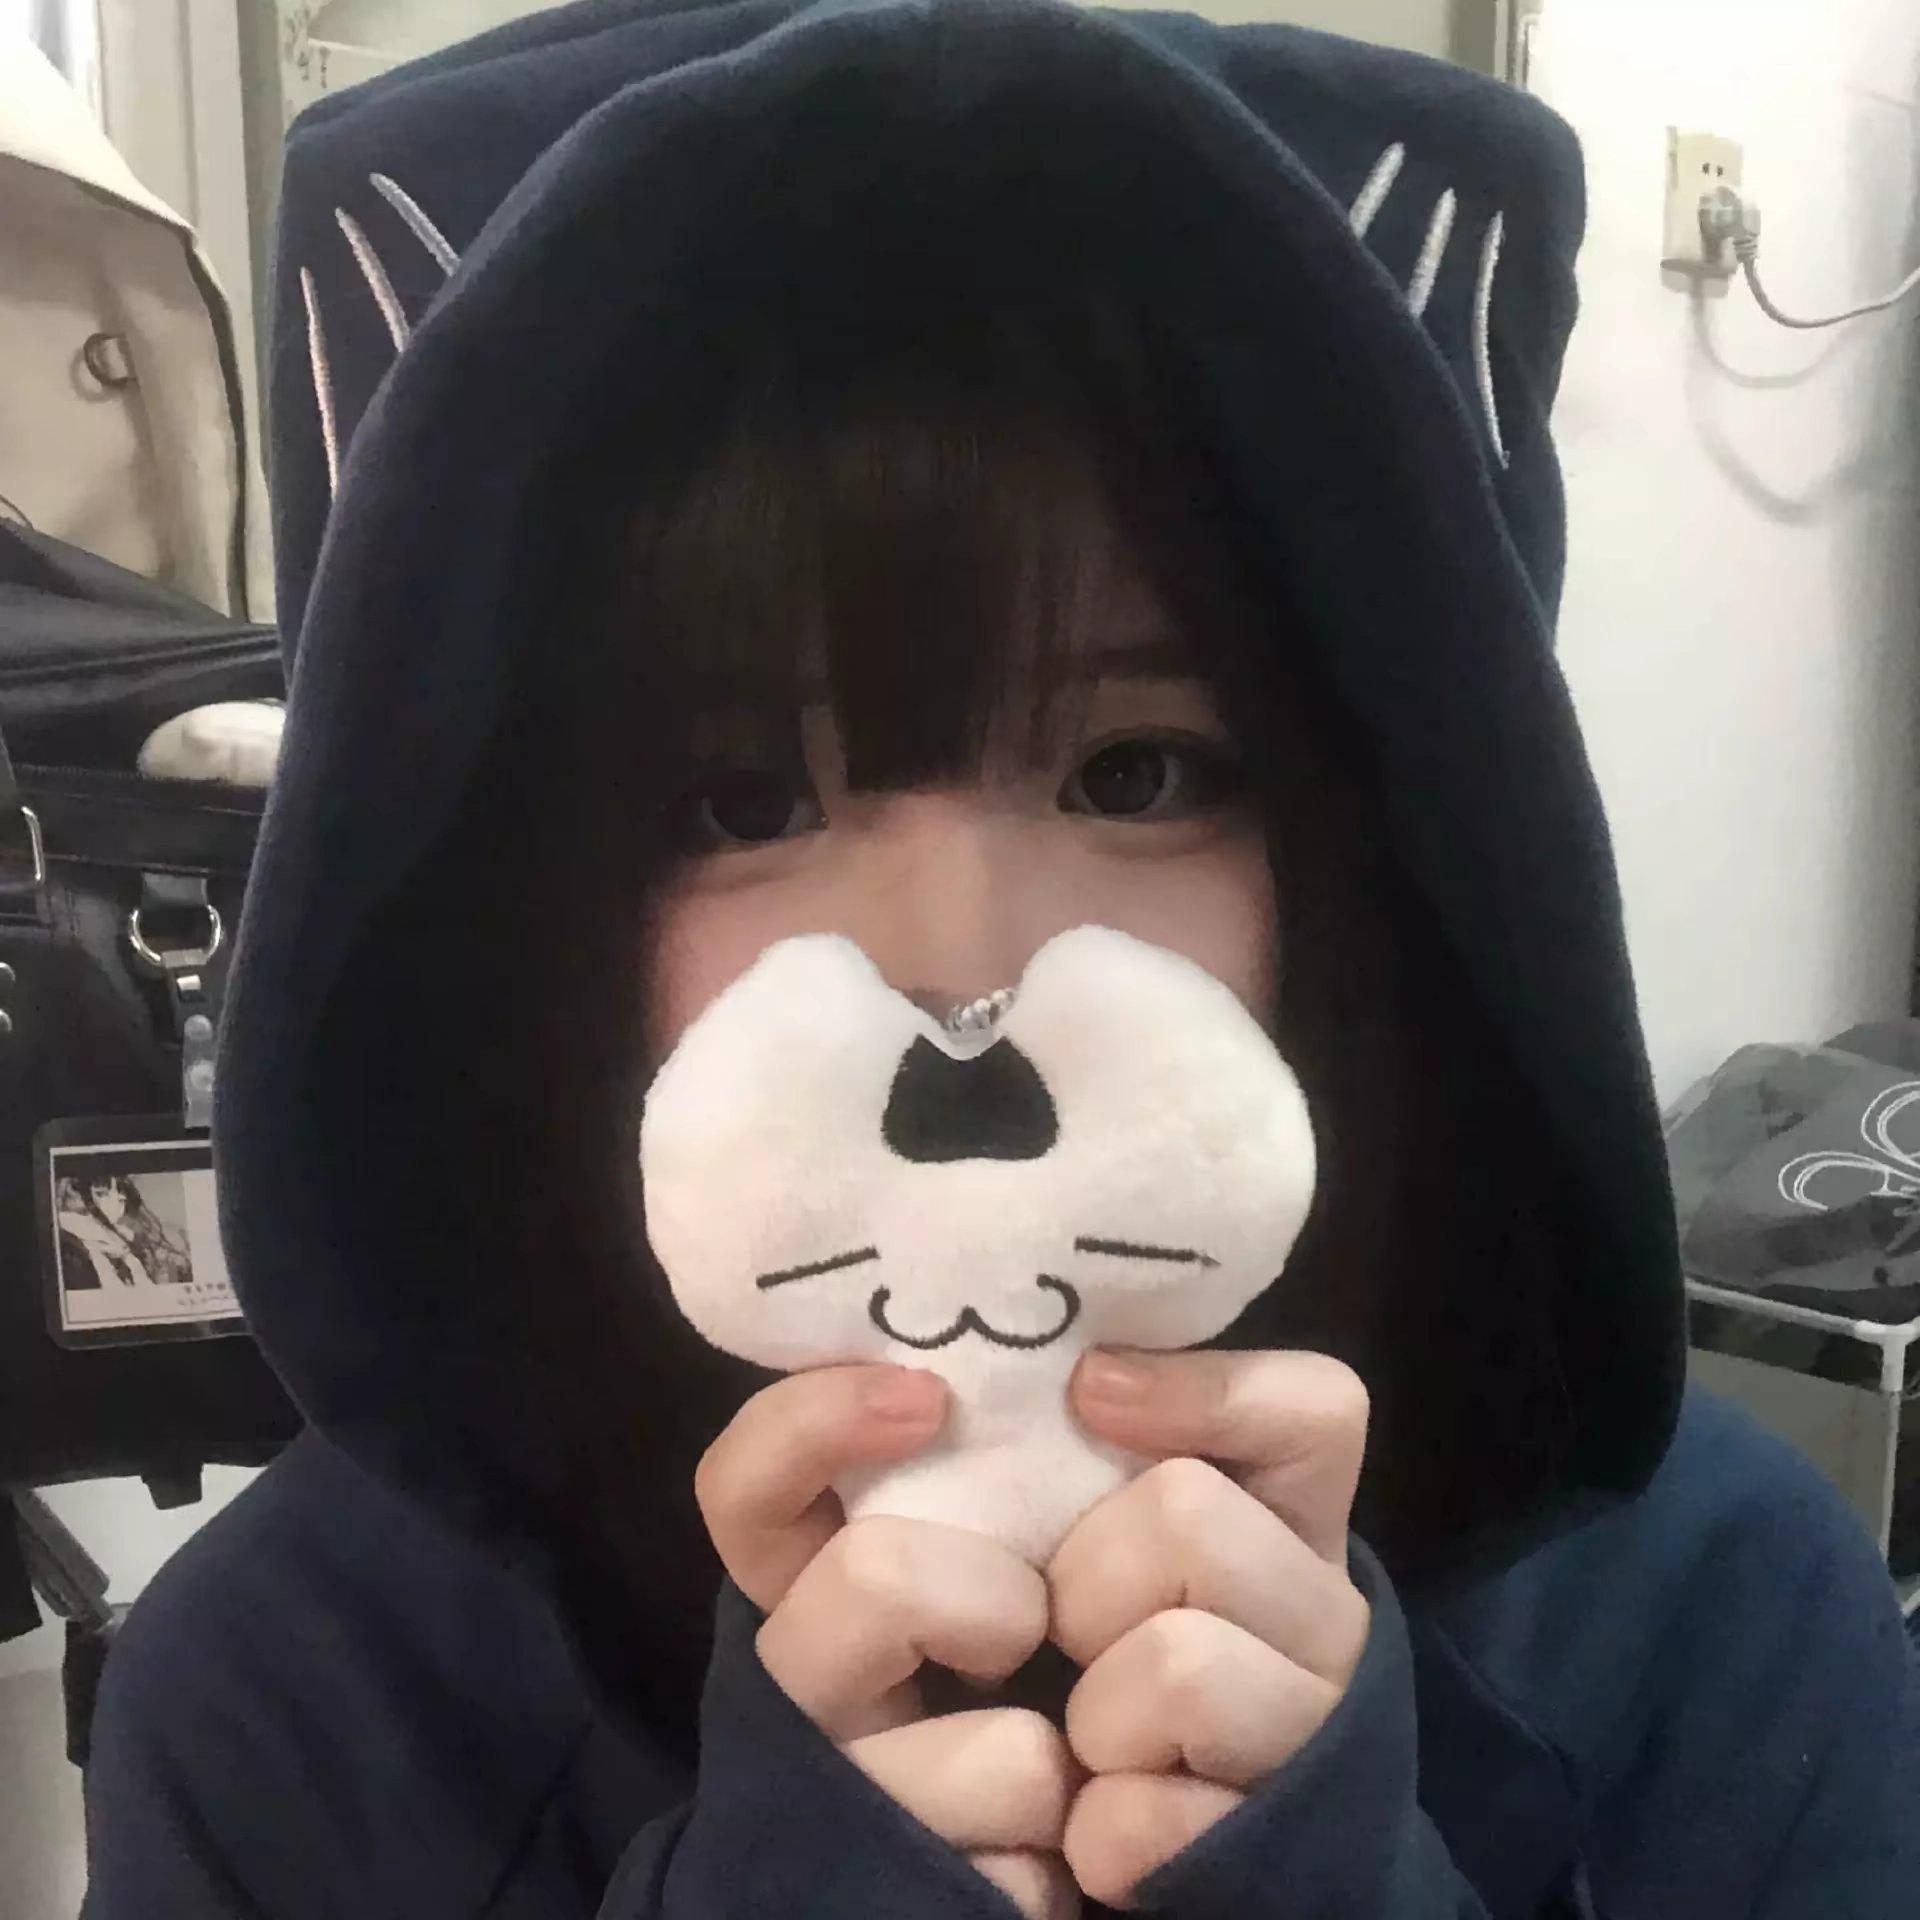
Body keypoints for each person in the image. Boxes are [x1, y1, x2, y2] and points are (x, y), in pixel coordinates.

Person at [81, 4, 1918, 1916]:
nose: (956, 966)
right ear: (518, 906)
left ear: (1385, 859)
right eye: (739, 803)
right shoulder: (292, 1703)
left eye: (1142, 774)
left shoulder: (1724, 1627)